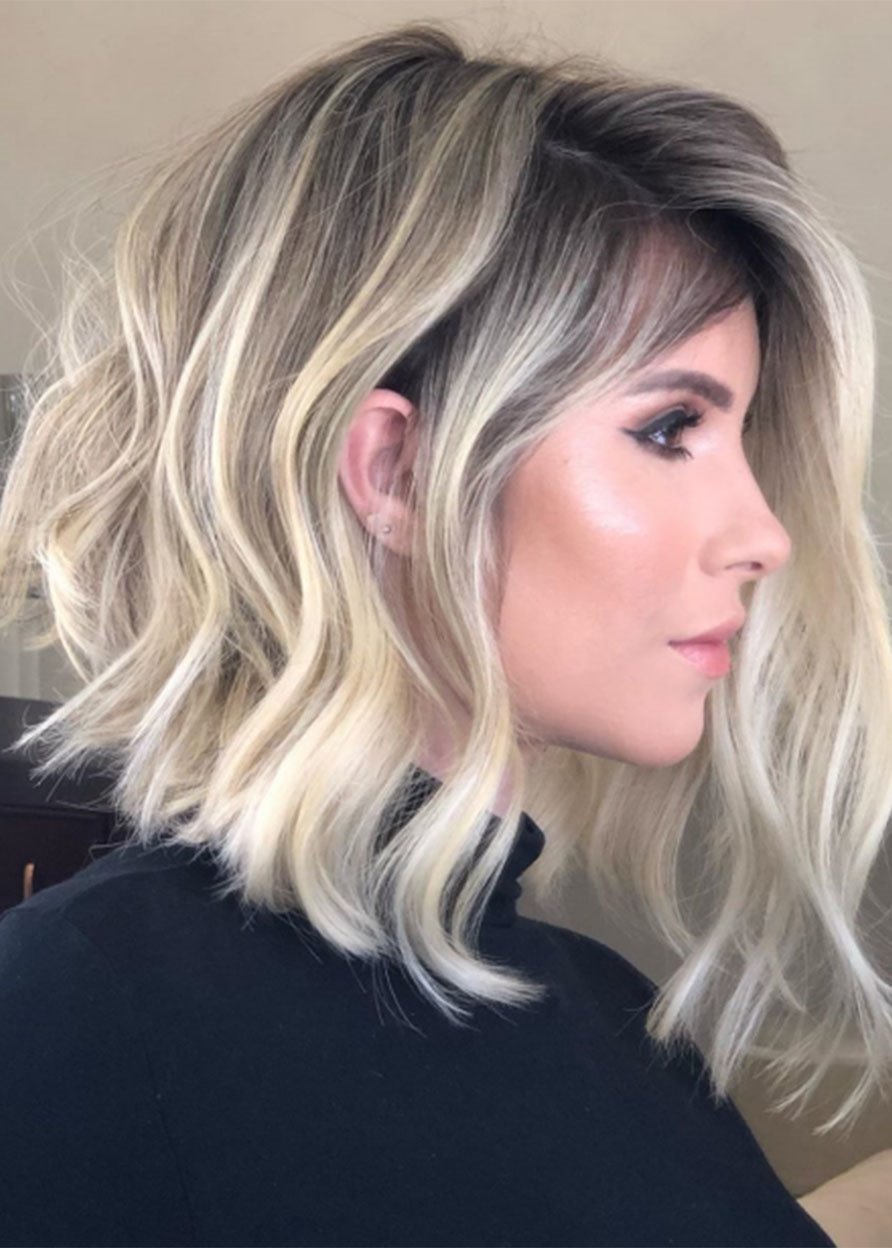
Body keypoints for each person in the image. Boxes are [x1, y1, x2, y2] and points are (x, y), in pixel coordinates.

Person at [1, 18, 890, 1247]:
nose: (764, 535)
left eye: (739, 439)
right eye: (668, 430)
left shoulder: (609, 1013)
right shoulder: (74, 1019)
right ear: (397, 470)